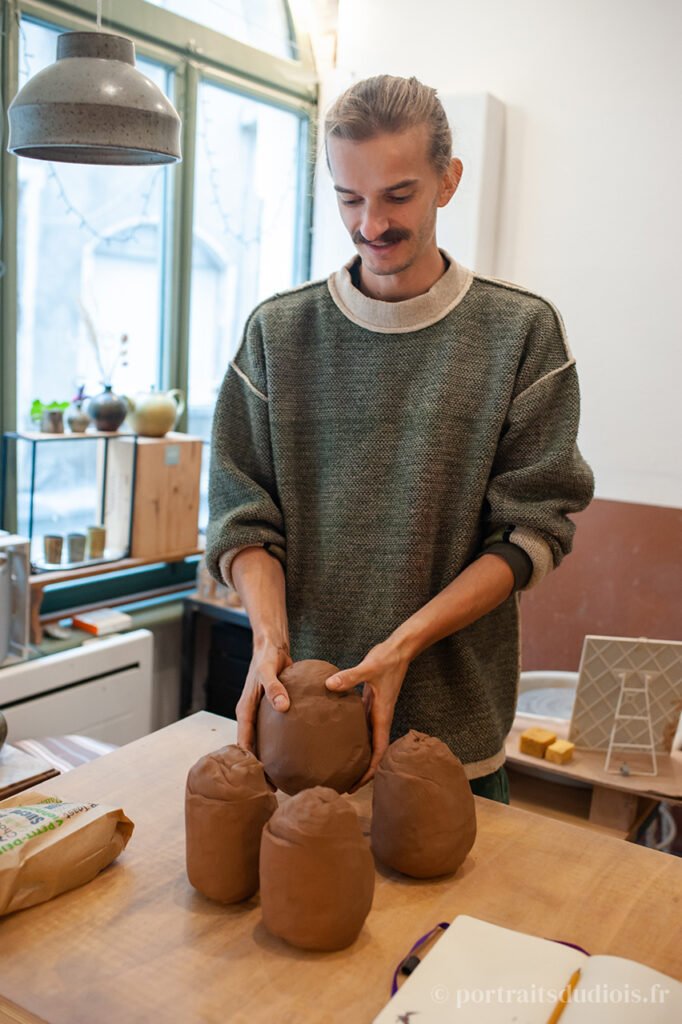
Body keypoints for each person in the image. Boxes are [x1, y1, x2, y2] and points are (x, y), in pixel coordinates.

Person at [206, 75, 594, 803]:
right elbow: (240, 516)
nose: (370, 223)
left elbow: (533, 531)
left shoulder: (519, 334)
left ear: (449, 181)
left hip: (453, 748)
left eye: (398, 195)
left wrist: (400, 648)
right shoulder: (277, 334)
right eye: (349, 198)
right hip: (302, 740)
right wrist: (269, 640)